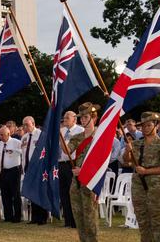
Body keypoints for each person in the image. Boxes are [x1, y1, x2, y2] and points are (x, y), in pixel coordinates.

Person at [124, 112, 160, 242]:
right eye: (143, 126)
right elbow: (126, 161)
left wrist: (146, 171)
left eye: (149, 125)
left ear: (156, 125)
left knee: (158, 222)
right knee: (143, 221)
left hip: (157, 187)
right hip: (139, 187)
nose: (145, 128)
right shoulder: (136, 144)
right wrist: (127, 151)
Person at [69, 102, 101, 242]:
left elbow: (101, 162)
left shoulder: (100, 136)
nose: (82, 119)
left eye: (85, 116)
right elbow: (67, 150)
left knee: (90, 218)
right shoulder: (77, 137)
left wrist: (84, 171)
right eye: (81, 117)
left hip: (91, 181)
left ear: (94, 118)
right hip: (76, 181)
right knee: (79, 217)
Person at [21, 115, 47, 225]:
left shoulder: (41, 135)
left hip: (38, 168)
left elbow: (45, 152)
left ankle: (43, 217)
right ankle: (34, 217)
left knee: (40, 193)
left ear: (33, 123)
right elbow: (23, 153)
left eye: (27, 124)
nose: (25, 127)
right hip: (27, 168)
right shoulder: (24, 137)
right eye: (24, 125)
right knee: (31, 194)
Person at [59, 110, 83, 228]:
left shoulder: (80, 131)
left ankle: (76, 221)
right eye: (64, 118)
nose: (64, 120)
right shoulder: (62, 131)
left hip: (73, 163)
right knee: (63, 193)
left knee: (73, 193)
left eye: (67, 118)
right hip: (62, 163)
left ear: (75, 119)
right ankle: (67, 220)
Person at [0, 125, 22, 223]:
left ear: (8, 134)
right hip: (4, 171)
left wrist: (13, 150)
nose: (0, 136)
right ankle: (8, 216)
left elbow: (22, 152)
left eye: (2, 134)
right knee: (5, 194)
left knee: (15, 194)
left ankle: (17, 217)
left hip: (14, 170)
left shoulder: (16, 142)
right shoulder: (0, 143)